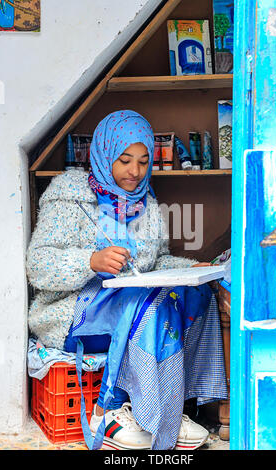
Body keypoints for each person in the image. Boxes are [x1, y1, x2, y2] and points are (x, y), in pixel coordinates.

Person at [26, 110, 228, 450]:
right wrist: (91, 261)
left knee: (195, 296)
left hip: (125, 300)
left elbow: (157, 261)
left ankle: (170, 407)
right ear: (105, 155)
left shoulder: (145, 202)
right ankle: (125, 412)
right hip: (71, 311)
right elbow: (38, 264)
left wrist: (193, 268)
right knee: (151, 306)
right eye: (125, 160)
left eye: (143, 161)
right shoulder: (69, 197)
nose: (135, 172)